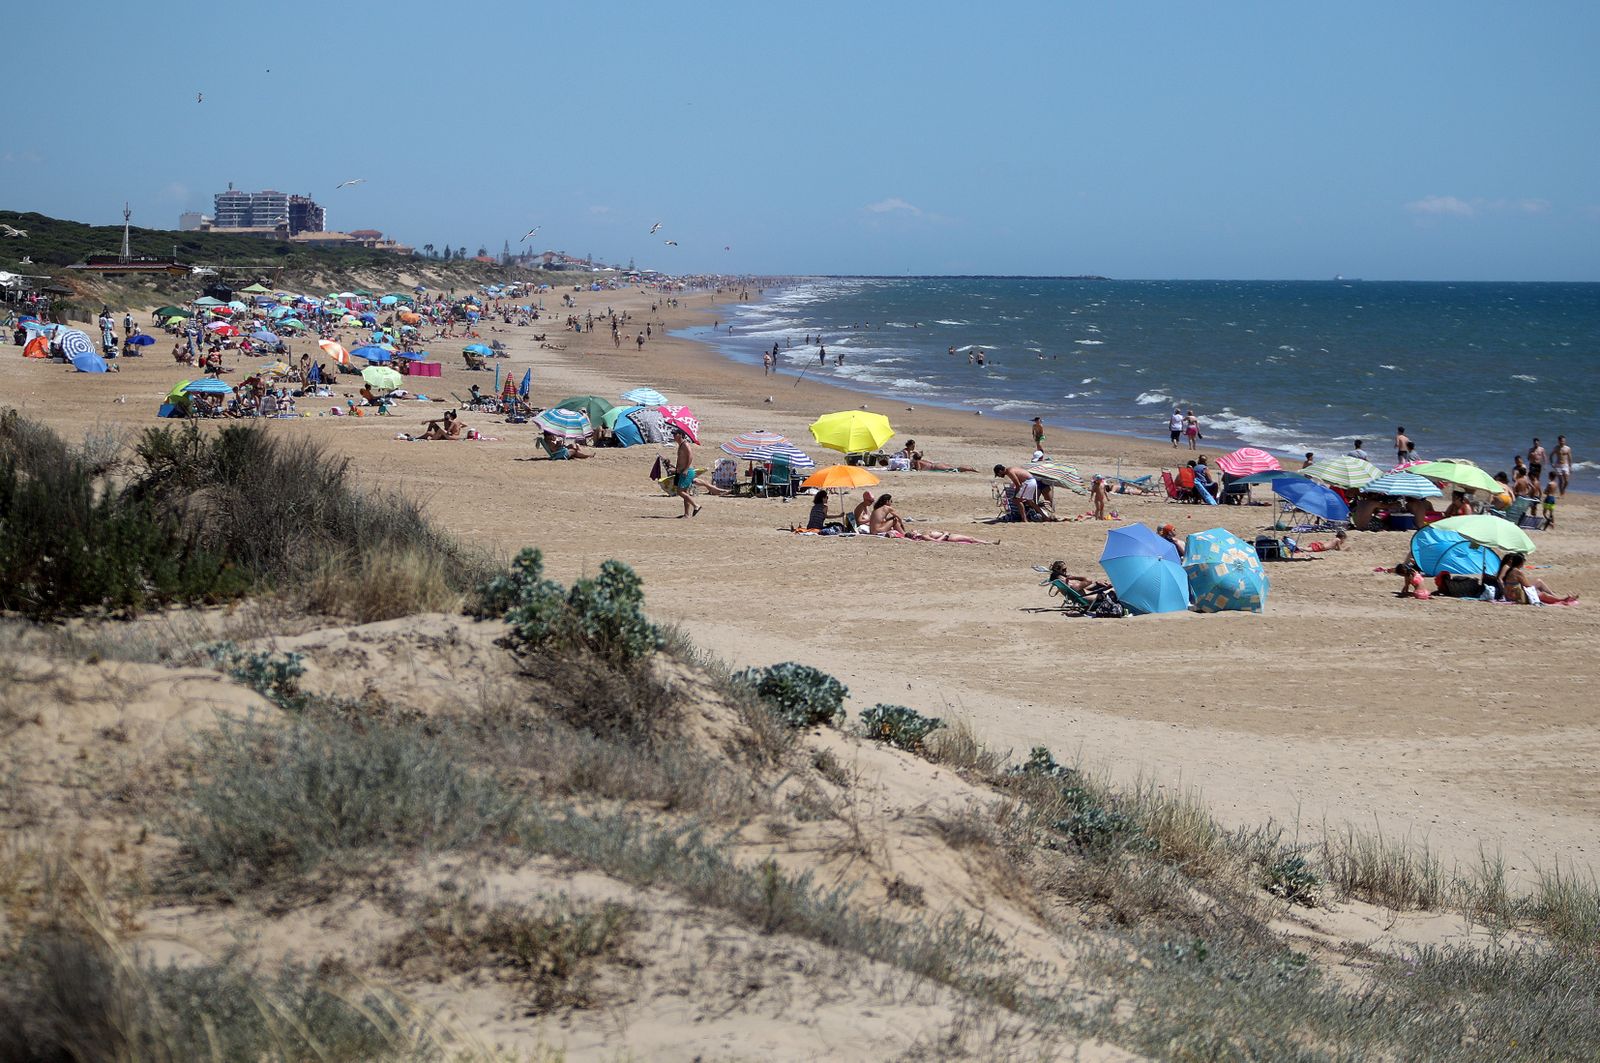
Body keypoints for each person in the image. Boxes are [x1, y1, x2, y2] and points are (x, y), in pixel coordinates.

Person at [1499, 552, 1577, 605]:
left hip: (1509, 595)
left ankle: (1558, 597)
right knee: (1541, 593)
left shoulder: (1509, 569)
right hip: (1517, 597)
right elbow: (1527, 586)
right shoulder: (1518, 572)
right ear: (1520, 563)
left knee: (1539, 584)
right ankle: (1561, 600)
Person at [672, 427, 700, 517]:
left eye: (675, 434)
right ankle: (686, 514)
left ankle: (696, 505)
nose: (673, 436)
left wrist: (686, 469)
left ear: (680, 435)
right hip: (682, 471)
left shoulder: (685, 444)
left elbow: (690, 456)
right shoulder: (681, 445)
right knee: (685, 492)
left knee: (680, 491)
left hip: (687, 471)